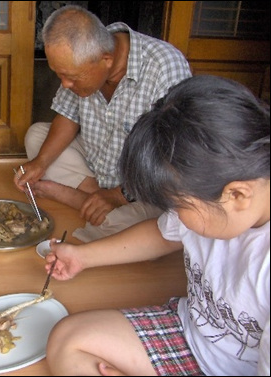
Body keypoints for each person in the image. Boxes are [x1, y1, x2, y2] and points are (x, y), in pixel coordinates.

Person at [43, 75, 270, 376]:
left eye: (177, 205)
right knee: (66, 340)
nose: (172, 214)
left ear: (238, 194)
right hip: (192, 335)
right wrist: (82, 257)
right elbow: (163, 234)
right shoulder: (219, 192)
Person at [14, 5, 192, 243]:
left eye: (72, 77)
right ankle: (94, 198)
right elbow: (67, 116)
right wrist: (40, 163)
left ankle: (82, 200)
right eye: (59, 75)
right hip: (98, 165)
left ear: (106, 60)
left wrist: (120, 195)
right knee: (36, 136)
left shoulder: (163, 66)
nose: (65, 84)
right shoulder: (86, 53)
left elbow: (173, 154)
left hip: (141, 185)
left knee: (158, 224)